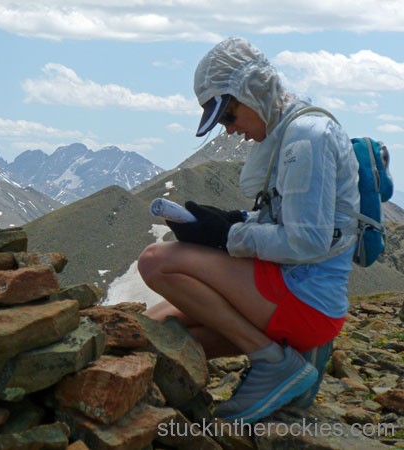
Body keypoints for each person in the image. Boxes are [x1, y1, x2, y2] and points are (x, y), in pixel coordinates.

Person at [137, 37, 360, 424]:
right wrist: (232, 220)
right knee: (164, 328)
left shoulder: (306, 138)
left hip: (305, 298)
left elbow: (307, 240)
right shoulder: (288, 132)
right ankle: (289, 354)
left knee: (156, 262)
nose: (229, 130)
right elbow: (287, 218)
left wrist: (226, 236)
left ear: (250, 90)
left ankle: (274, 362)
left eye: (228, 116)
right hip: (294, 291)